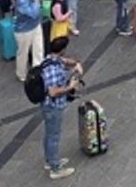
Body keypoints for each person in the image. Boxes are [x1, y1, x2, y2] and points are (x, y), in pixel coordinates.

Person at [40, 37, 83, 180]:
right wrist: (70, 87)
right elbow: (52, 92)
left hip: (48, 105)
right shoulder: (52, 69)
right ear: (62, 49)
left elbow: (65, 62)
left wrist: (75, 63)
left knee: (49, 134)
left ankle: (49, 160)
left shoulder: (50, 59)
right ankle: (55, 168)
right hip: (53, 106)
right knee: (54, 136)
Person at [12, 0, 45, 82]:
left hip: (35, 26)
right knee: (23, 53)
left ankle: (38, 71)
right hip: (24, 30)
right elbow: (33, 13)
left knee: (38, 50)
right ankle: (21, 73)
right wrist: (37, 0)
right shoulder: (21, 0)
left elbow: (40, 8)